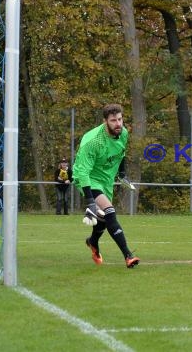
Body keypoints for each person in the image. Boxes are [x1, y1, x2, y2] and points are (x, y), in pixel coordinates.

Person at [72, 103, 140, 268]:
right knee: (109, 211)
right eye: (113, 121)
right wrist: (90, 202)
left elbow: (121, 153)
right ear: (105, 121)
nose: (118, 124)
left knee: (103, 219)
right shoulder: (93, 141)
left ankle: (93, 242)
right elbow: (83, 173)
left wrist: (122, 175)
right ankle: (128, 255)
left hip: (106, 180)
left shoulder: (123, 133)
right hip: (87, 178)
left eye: (120, 119)